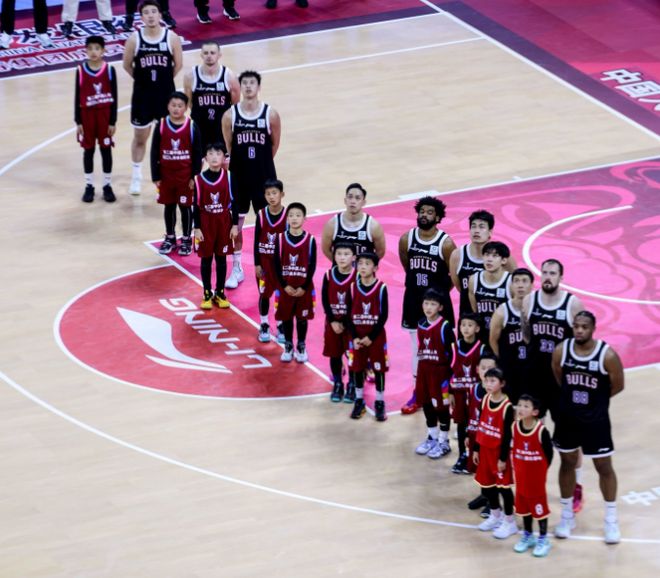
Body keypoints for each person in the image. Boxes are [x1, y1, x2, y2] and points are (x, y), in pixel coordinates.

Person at [551, 311, 624, 544]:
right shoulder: (562, 351)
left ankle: (611, 520)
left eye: (584, 327)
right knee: (567, 463)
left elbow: (618, 385)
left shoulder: (607, 355)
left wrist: (596, 402)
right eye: (576, 326)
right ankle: (567, 516)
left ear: (593, 328)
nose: (580, 330)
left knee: (604, 466)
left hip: (596, 421)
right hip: (568, 418)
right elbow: (559, 377)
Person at [521, 258, 585, 512]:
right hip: (535, 380)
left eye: (552, 273)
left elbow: (582, 343)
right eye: (544, 272)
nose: (547, 277)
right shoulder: (529, 301)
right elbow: (526, 334)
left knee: (570, 439)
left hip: (562, 384)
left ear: (561, 277)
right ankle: (533, 484)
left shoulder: (572, 304)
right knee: (532, 434)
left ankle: (577, 486)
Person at [222, 70, 281, 289]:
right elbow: (229, 146)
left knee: (268, 224)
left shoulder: (270, 114)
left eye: (252, 83)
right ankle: (237, 268)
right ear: (240, 87)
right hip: (239, 178)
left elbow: (274, 145)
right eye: (244, 83)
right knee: (235, 225)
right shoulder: (230, 115)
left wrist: (260, 163)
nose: (248, 86)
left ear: (258, 87)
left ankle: (269, 267)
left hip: (264, 178)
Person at [399, 196, 456, 416]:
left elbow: (454, 273)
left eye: (430, 212)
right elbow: (406, 265)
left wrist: (439, 296)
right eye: (422, 211)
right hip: (414, 301)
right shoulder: (407, 239)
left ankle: (447, 391)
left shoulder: (446, 243)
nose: (424, 215)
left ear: (438, 217)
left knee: (443, 348)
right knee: (417, 348)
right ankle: (418, 393)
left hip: (438, 303)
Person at [123, 0, 182, 195]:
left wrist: (163, 82)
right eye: (146, 12)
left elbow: (178, 65)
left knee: (166, 140)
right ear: (141, 17)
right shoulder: (135, 39)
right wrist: (143, 81)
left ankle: (165, 179)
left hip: (165, 97)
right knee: (140, 138)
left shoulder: (171, 37)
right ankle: (136, 176)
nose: (150, 15)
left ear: (160, 14)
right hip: (142, 97)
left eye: (153, 12)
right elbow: (127, 65)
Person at [150, 91, 203, 256]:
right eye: (173, 105)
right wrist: (156, 176)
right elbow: (154, 151)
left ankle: (186, 239)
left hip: (185, 176)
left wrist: (194, 176)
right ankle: (170, 237)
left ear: (186, 108)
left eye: (180, 106)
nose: (176, 108)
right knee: (169, 206)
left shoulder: (192, 126)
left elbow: (198, 154)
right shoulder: (161, 125)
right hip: (166, 175)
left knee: (185, 207)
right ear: (168, 106)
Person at [193, 143, 238, 309]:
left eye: (218, 153)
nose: (214, 157)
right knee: (206, 259)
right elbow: (195, 206)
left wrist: (234, 225)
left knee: (221, 258)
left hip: (224, 222)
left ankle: (219, 292)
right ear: (205, 158)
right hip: (206, 223)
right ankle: (207, 292)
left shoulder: (229, 176)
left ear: (224, 158)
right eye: (210, 153)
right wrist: (197, 228)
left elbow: (235, 202)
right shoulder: (198, 179)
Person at [473, 367, 517, 539]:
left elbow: (507, 436)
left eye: (493, 381)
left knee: (503, 488)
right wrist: (476, 449)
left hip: (498, 453)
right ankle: (495, 515)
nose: (488, 384)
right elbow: (480, 424)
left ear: (502, 383)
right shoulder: (485, 399)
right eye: (486, 380)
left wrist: (503, 458)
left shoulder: (507, 407)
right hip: (484, 450)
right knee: (487, 486)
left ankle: (510, 522)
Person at [449, 210, 516, 320]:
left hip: (498, 319)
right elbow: (459, 287)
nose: (476, 231)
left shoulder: (504, 258)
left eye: (481, 227)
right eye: (473, 226)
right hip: (467, 318)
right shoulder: (457, 255)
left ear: (490, 232)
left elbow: (516, 286)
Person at [346, 252, 388, 422]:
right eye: (360, 263)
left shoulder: (381, 288)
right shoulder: (352, 288)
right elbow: (348, 314)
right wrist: (354, 337)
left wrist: (371, 336)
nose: (363, 267)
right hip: (358, 336)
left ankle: (380, 401)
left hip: (375, 337)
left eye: (367, 263)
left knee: (379, 369)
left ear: (375, 268)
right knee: (357, 367)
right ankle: (359, 400)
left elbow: (384, 315)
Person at [413, 289, 455, 458]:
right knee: (426, 403)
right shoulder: (420, 323)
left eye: (433, 304)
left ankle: (444, 441)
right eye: (426, 303)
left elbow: (453, 355)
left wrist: (451, 379)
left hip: (440, 373)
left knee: (442, 407)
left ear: (440, 307)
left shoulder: (445, 326)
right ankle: (432, 436)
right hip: (424, 370)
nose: (428, 307)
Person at [75, 35, 117, 203]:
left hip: (104, 115)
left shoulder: (109, 69)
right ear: (86, 50)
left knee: (106, 150)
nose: (94, 52)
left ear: (103, 51)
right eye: (90, 48)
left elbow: (114, 97)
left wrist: (112, 121)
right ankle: (89, 186)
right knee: (89, 150)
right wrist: (78, 121)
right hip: (87, 116)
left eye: (97, 48)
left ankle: (107, 185)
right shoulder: (80, 70)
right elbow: (77, 97)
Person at [273, 202, 316, 363]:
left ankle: (301, 345)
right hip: (285, 287)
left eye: (298, 215)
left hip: (304, 288)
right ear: (287, 218)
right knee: (286, 317)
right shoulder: (280, 239)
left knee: (302, 318)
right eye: (291, 215)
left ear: (304, 218)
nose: (294, 218)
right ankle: (288, 345)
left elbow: (312, 265)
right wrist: (284, 285)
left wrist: (304, 287)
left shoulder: (310, 240)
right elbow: (276, 263)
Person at [511, 394, 553, 557]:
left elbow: (549, 454)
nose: (521, 409)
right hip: (521, 478)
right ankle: (528, 535)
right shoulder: (515, 427)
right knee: (524, 509)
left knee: (539, 509)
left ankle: (543, 539)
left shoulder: (541, 431)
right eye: (519, 405)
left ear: (535, 412)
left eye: (526, 406)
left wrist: (540, 471)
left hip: (536, 480)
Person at [183, 41, 240, 150]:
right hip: (200, 126)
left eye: (212, 53)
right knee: (198, 159)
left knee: (224, 158)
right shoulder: (190, 76)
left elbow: (235, 105)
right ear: (201, 55)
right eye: (206, 53)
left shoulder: (230, 77)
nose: (209, 56)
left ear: (219, 55)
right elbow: (189, 102)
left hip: (222, 127)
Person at [489, 268, 534, 403]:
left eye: (524, 281)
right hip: (511, 369)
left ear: (531, 285)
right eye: (516, 281)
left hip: (532, 368)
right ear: (511, 285)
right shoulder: (502, 311)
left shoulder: (537, 309)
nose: (520, 285)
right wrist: (503, 360)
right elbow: (493, 340)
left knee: (533, 406)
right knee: (511, 404)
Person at [450, 313, 485, 473]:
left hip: (475, 396)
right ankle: (462, 455)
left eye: (470, 325)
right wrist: (450, 392)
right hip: (459, 394)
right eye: (463, 325)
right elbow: (450, 371)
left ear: (477, 328)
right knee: (461, 425)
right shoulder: (454, 346)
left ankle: (477, 456)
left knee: (475, 427)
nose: (466, 328)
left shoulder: (482, 348)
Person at [322, 242, 357, 403]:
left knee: (353, 356)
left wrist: (345, 322)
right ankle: (338, 383)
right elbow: (325, 299)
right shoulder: (328, 275)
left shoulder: (358, 277)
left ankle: (352, 384)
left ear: (354, 257)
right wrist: (332, 320)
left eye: (346, 254)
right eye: (339, 254)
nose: (342, 258)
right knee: (334, 354)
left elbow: (358, 302)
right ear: (334, 257)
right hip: (333, 323)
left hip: (352, 325)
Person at [254, 179, 287, 343]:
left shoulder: (288, 216)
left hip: (281, 266)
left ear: (282, 194)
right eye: (268, 194)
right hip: (265, 264)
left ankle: (280, 325)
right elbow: (256, 241)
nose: (272, 197)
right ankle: (264, 324)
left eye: (274, 193)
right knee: (264, 295)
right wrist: (257, 264)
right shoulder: (261, 215)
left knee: (281, 296)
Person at [465, 352, 497, 518]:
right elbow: (470, 412)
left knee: (491, 470)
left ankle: (494, 502)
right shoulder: (473, 388)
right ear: (477, 369)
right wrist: (467, 433)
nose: (486, 371)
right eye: (483, 368)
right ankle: (485, 495)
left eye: (490, 368)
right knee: (479, 469)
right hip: (475, 434)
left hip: (490, 439)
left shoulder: (498, 395)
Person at [321, 183, 386, 261]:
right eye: (350, 197)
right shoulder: (332, 225)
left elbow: (380, 251)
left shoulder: (373, 226)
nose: (353, 201)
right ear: (345, 200)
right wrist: (339, 264)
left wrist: (367, 265)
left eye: (357, 198)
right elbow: (326, 249)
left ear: (363, 202)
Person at [468, 240, 512, 337]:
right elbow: (475, 310)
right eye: (487, 255)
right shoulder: (474, 280)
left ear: (504, 260)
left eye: (494, 256)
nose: (489, 259)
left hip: (504, 335)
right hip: (482, 334)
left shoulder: (511, 282)